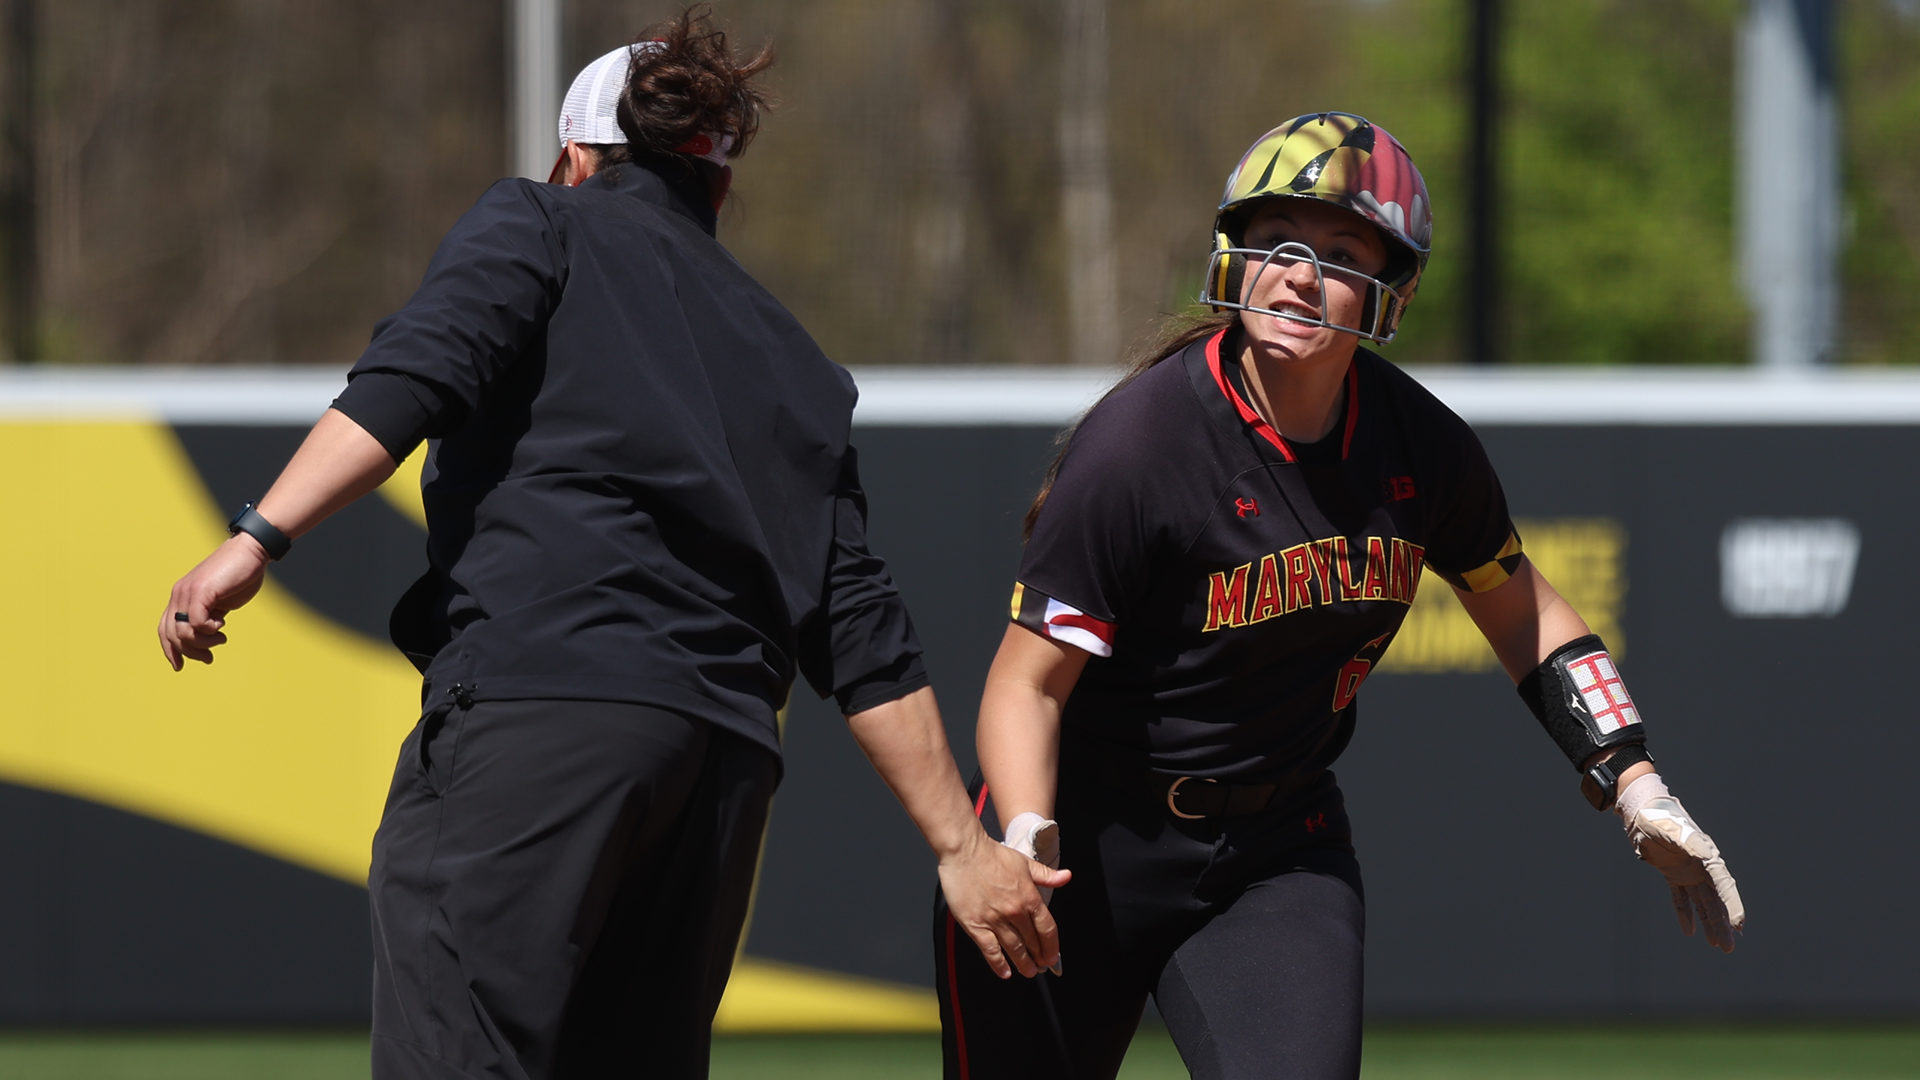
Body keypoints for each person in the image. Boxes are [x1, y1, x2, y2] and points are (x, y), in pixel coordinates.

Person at [156, 12, 1064, 1079]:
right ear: (718, 183)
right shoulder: (796, 357)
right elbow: (858, 623)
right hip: (721, 767)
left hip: (551, 711)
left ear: (577, 157)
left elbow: (412, 379)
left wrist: (259, 535)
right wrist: (960, 846)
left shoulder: (540, 221)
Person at [933, 112, 1745, 1080]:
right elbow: (1026, 685)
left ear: (1393, 290)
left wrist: (1638, 786)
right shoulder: (1140, 445)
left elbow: (1528, 618)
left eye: (1341, 255)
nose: (1299, 275)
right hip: (1086, 838)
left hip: (1274, 851)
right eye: (1276, 242)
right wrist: (1024, 839)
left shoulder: (1420, 446)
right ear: (1236, 255)